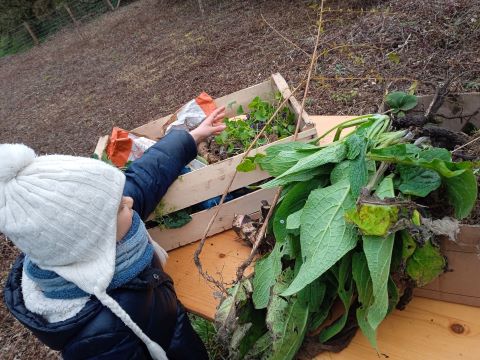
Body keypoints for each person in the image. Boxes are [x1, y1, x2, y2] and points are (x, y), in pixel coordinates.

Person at [2, 106, 227, 360]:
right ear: (95, 238)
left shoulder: (105, 228)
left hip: (173, 332)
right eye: (120, 205)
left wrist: (191, 137)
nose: (129, 202)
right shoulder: (99, 339)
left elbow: (144, 176)